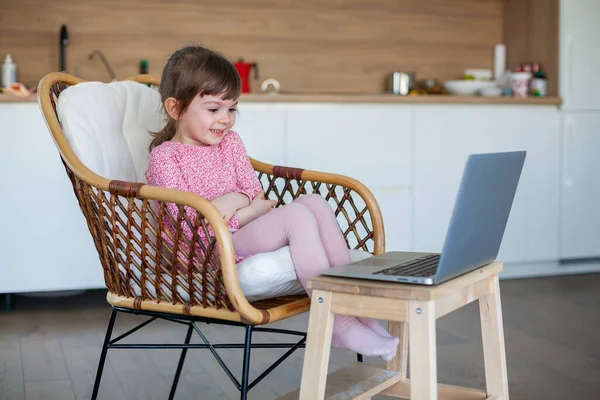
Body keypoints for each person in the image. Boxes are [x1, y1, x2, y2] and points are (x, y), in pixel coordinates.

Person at [145, 45, 399, 360]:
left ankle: (357, 312)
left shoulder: (231, 143)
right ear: (175, 108)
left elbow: (256, 196)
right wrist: (240, 210)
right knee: (296, 217)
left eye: (232, 109)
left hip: (236, 234)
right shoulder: (166, 157)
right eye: (214, 109)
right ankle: (340, 323)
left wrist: (233, 200)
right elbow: (193, 226)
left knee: (315, 202)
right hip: (210, 251)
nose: (225, 120)